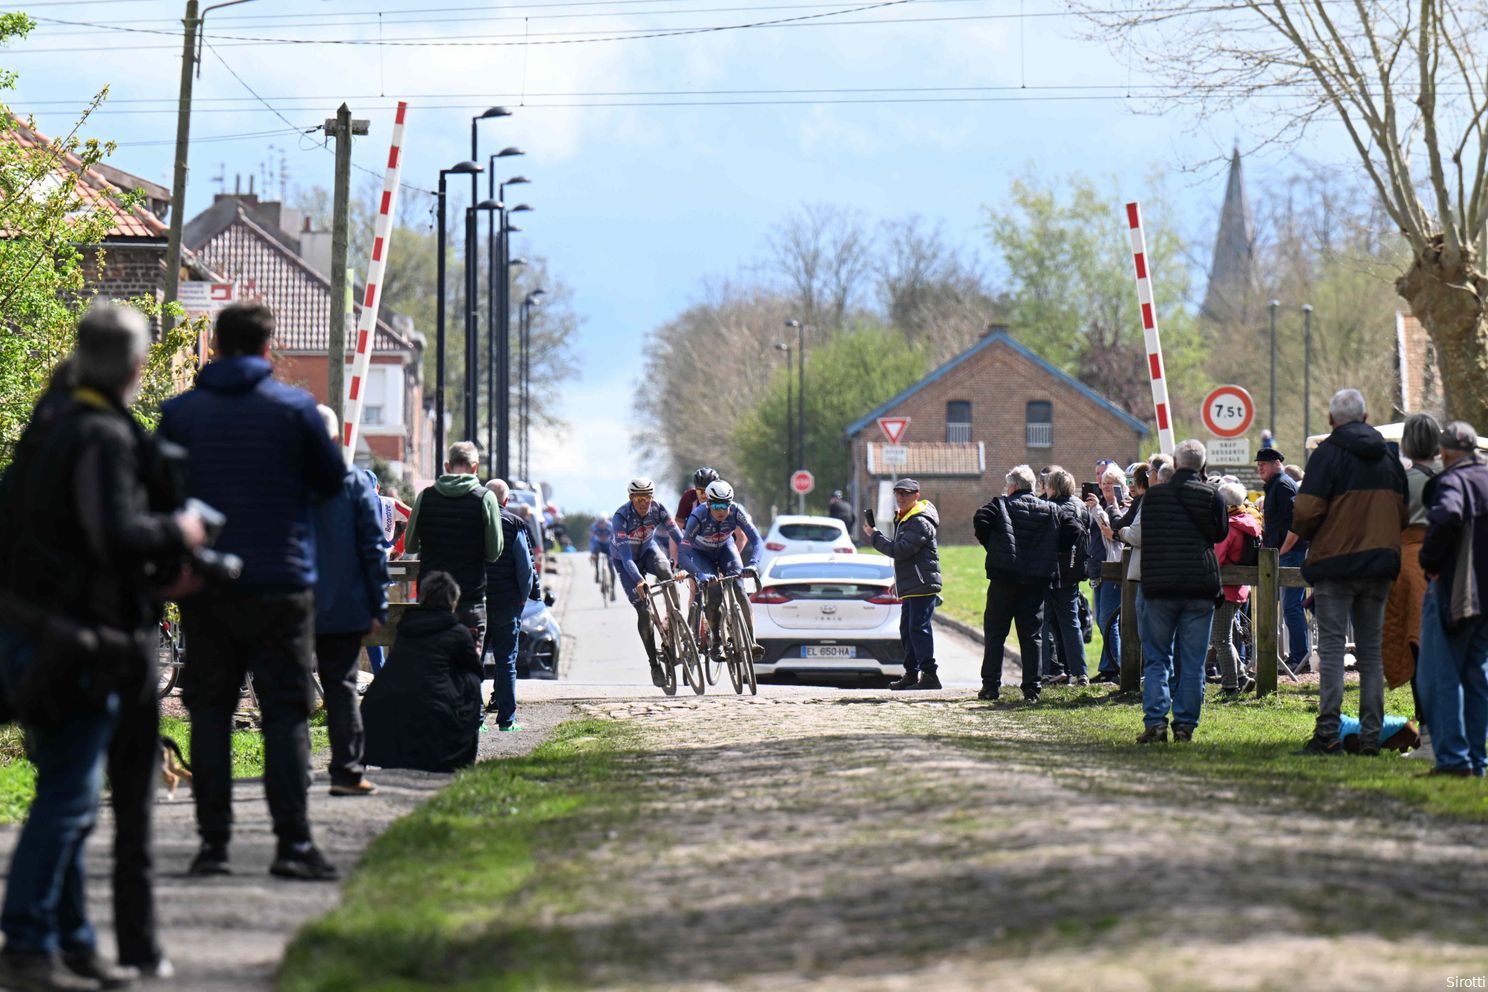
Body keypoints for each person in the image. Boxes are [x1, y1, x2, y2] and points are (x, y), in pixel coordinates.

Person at [0, 303, 205, 991]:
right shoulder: (101, 437)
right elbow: (114, 534)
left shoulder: (46, 427)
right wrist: (180, 532)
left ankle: (71, 941)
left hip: (34, 633)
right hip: (79, 641)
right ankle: (28, 942)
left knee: (72, 794)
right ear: (138, 369)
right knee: (69, 797)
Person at [159, 300, 347, 882]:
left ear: (215, 346)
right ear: (269, 348)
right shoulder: (296, 411)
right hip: (281, 582)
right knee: (285, 714)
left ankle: (212, 847)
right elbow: (331, 483)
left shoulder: (181, 414)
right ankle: (292, 845)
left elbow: (161, 496)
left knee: (210, 711)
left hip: (209, 586)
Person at [1284, 388, 1408, 757]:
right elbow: (1402, 512)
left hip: (1336, 565)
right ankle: (1371, 739)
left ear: (1330, 420)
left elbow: (1306, 512)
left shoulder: (1326, 455)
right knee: (1371, 655)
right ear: (1367, 416)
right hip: (1379, 565)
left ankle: (1329, 735)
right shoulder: (1389, 458)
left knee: (1334, 650)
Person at [310, 409, 388, 798]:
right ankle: (347, 770)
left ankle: (293, 765)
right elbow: (373, 549)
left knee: (288, 684)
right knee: (340, 688)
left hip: (293, 601)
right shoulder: (355, 485)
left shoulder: (284, 481)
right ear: (338, 438)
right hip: (343, 603)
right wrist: (379, 604)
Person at [1132, 439, 1227, 743]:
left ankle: (1156, 721)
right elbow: (1220, 533)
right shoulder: (1212, 495)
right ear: (1202, 464)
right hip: (1199, 586)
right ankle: (1185, 724)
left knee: (1157, 658)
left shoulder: (1155, 497)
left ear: (1174, 460)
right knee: (1193, 660)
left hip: (1160, 586)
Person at [1418, 421, 1488, 776]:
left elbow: (1446, 514)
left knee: (1440, 676)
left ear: (1443, 453)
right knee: (1477, 677)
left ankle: (1453, 759)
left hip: (1457, 592)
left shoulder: (1453, 479)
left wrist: (1429, 561)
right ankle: (1477, 760)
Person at [361, 572, 483, 773]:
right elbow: (476, 672)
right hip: (438, 715)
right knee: (471, 681)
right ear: (452, 602)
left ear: (423, 598)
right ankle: (463, 753)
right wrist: (474, 651)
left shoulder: (406, 628)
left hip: (388, 713)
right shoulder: (458, 632)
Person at [402, 441, 504, 656]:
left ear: (447, 466)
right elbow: (494, 552)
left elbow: (410, 544)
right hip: (470, 597)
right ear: (475, 467)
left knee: (433, 663)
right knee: (468, 669)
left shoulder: (425, 497)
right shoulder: (485, 498)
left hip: (432, 598)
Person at [974, 465, 1058, 701]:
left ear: (1013, 486)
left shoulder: (1000, 504)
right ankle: (1032, 689)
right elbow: (1072, 529)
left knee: (996, 633)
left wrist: (992, 545)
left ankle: (990, 686)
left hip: (1004, 578)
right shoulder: (1049, 509)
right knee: (1032, 635)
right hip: (1035, 581)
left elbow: (980, 519)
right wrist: (1050, 552)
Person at [1385, 414, 1442, 756]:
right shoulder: (1452, 477)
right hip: (1450, 564)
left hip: (1408, 566)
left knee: (1417, 650)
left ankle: (1430, 736)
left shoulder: (1401, 482)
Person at [863, 478, 943, 691]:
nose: (900, 497)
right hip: (914, 584)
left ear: (917, 494)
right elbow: (908, 557)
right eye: (897, 493)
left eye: (905, 494)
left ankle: (930, 675)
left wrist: (875, 536)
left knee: (918, 629)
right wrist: (899, 581)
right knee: (908, 630)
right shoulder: (906, 517)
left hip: (922, 584)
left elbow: (900, 550)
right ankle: (911, 673)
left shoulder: (919, 520)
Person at [612, 478, 687, 685]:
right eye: (639, 499)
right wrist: (639, 580)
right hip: (625, 561)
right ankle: (654, 664)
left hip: (647, 551)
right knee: (643, 611)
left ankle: (675, 620)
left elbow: (679, 538)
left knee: (666, 572)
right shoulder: (621, 517)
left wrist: (683, 565)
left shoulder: (659, 510)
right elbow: (626, 557)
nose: (644, 503)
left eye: (648, 497)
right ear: (631, 498)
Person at [680, 479, 763, 661]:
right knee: (715, 592)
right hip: (702, 554)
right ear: (708, 503)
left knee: (740, 588)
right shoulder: (697, 516)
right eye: (716, 505)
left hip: (726, 548)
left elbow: (757, 540)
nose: (721, 510)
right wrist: (699, 574)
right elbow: (683, 553)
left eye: (725, 505)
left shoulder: (736, 511)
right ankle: (716, 642)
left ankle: (751, 640)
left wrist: (753, 564)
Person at [483, 479, 537, 731]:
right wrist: (523, 595)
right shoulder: (515, 524)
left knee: (474, 659)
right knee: (506, 660)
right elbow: (525, 567)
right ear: (506, 501)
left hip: (478, 599)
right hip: (506, 600)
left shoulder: (474, 520)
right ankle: (507, 719)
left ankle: (475, 720)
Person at [1256, 447, 1310, 674]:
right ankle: (1298, 656)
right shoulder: (1276, 485)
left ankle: (1300, 657)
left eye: (1264, 463)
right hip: (1284, 552)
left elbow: (1297, 523)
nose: (1260, 467)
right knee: (1288, 606)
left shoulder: (1282, 485)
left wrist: (1282, 550)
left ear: (1277, 463)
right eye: (1258, 463)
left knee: (1291, 606)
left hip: (1291, 552)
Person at [1041, 467, 1090, 686]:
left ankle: (1044, 671)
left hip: (1051, 573)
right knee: (1071, 623)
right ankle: (1080, 673)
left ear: (1053, 487)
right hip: (1074, 572)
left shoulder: (1050, 508)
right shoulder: (1081, 507)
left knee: (1042, 622)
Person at [1212, 482, 1262, 698]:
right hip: (1241, 589)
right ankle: (1241, 677)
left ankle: (1230, 687)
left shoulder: (1229, 527)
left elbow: (1216, 559)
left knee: (1221, 639)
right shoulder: (1248, 521)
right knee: (1226, 638)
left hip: (1226, 590)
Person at [1084, 463, 1128, 684]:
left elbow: (1112, 532)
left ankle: (1114, 667)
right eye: (1103, 485)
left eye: (1111, 484)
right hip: (1100, 568)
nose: (1106, 488)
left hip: (1114, 569)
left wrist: (1099, 509)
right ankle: (1108, 665)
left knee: (1108, 619)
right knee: (1103, 620)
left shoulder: (1124, 506)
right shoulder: (1104, 505)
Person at [589, 515, 617, 595]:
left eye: (603, 523)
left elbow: (615, 541)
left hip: (609, 547)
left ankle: (612, 590)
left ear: (606, 522)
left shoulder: (611, 526)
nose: (601, 525)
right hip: (599, 546)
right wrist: (592, 553)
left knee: (611, 566)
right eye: (599, 523)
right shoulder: (594, 527)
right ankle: (597, 572)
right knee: (596, 550)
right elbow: (591, 541)